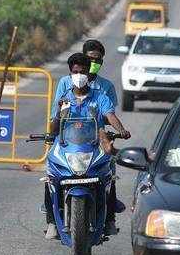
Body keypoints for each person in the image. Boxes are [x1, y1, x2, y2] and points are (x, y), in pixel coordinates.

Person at [45, 53, 130, 239]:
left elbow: (110, 116)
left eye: (82, 71)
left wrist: (121, 129)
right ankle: (52, 219)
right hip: (68, 145)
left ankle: (109, 219)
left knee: (109, 172)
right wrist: (59, 114)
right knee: (51, 173)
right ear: (70, 73)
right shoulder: (64, 98)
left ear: (87, 73)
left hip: (94, 144)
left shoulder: (99, 97)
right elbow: (53, 125)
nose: (79, 75)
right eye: (75, 72)